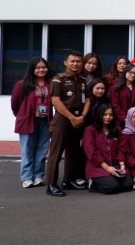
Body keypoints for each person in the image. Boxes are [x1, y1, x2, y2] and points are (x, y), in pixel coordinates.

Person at [44, 50, 90, 197]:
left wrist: (82, 116)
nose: (76, 64)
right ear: (65, 63)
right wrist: (72, 117)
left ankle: (68, 180)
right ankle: (51, 184)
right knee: (55, 153)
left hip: (78, 119)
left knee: (73, 151)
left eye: (78, 61)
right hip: (63, 120)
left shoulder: (83, 79)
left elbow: (88, 99)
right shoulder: (58, 79)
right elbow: (56, 101)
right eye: (72, 61)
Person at [11, 57, 51, 188]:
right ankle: (27, 177)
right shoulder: (22, 85)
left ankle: (39, 176)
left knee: (42, 150)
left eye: (43, 67)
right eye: (38, 67)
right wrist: (22, 115)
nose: (41, 70)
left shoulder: (50, 84)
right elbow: (15, 104)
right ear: (32, 69)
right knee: (27, 150)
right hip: (28, 120)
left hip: (45, 120)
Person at [82, 104, 133, 194]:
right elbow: (91, 152)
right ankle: (93, 183)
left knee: (128, 184)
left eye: (111, 115)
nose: (108, 117)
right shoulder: (90, 130)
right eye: (105, 114)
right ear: (99, 115)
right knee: (112, 187)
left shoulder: (116, 130)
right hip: (99, 167)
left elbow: (122, 149)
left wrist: (122, 166)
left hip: (115, 166)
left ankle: (110, 180)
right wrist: (107, 168)